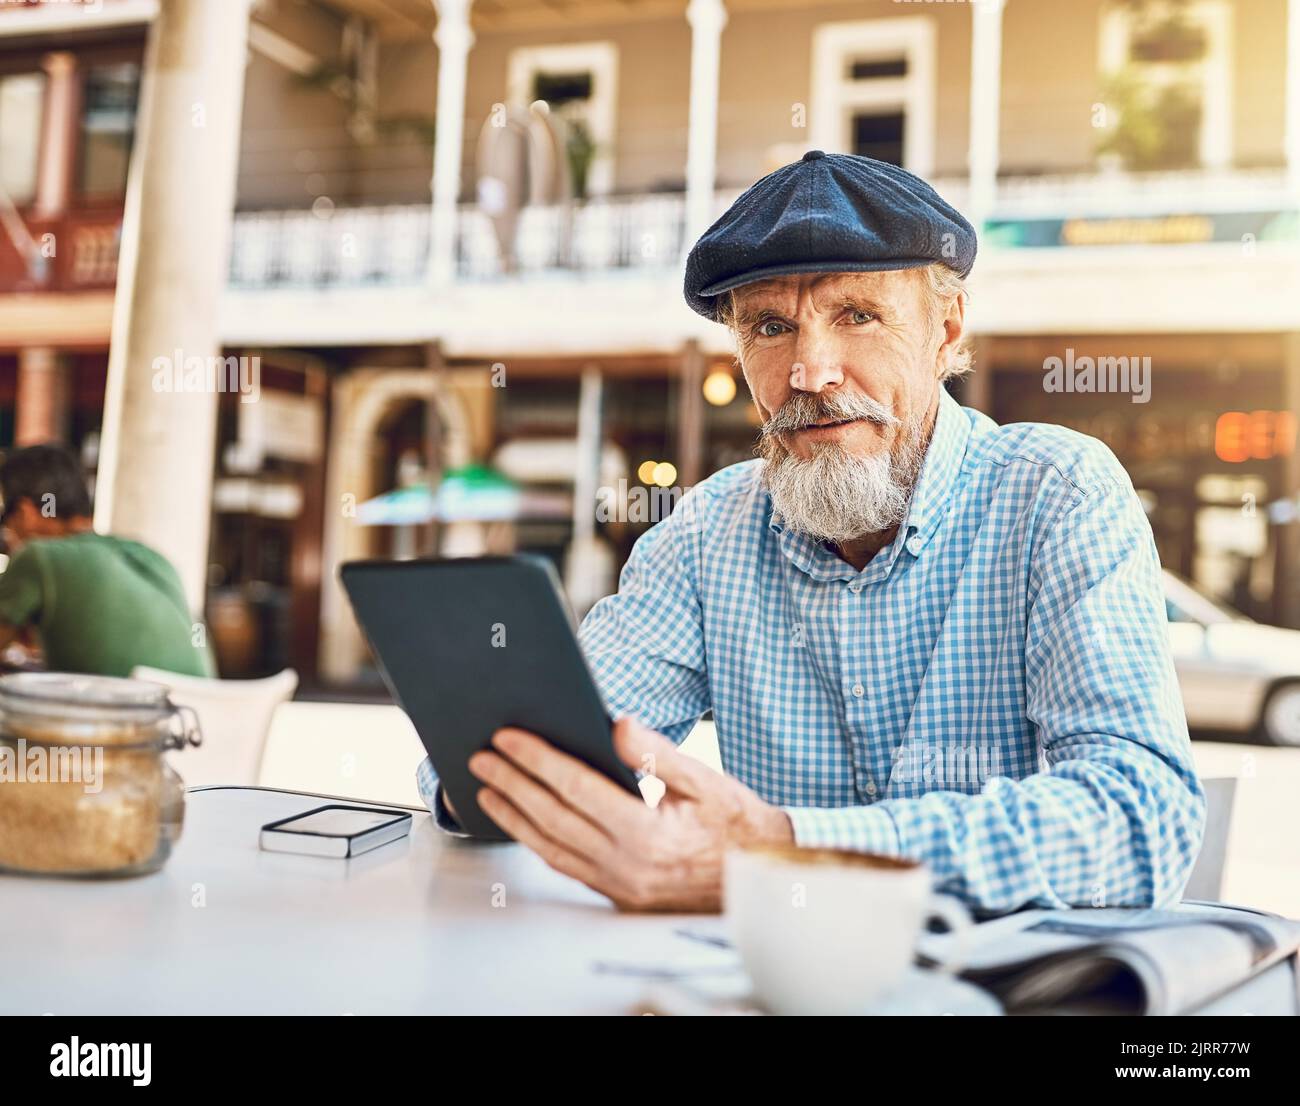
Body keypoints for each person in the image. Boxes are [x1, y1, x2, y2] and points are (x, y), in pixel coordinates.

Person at [416, 152, 1206, 915]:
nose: (811, 372)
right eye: (769, 327)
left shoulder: (1057, 494)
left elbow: (1143, 824)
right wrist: (487, 773)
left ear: (946, 330)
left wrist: (786, 849)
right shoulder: (706, 534)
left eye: (857, 316)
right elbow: (528, 750)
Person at [0, 443, 215, 679]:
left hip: (123, 712)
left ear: (25, 512)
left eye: (5, 519)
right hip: (200, 711)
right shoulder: (151, 558)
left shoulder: (38, 556)